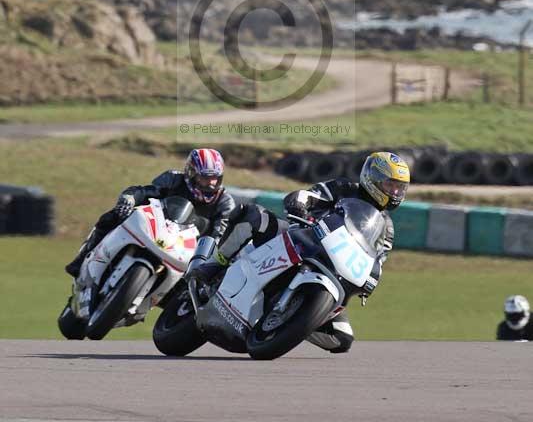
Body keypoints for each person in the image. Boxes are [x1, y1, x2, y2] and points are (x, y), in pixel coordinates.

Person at [186, 150, 410, 354]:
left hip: (333, 269)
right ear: (373, 178)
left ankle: (292, 320)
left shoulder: (386, 227)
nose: (395, 192)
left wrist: (372, 277)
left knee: (342, 338)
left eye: (400, 187)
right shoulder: (342, 189)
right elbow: (307, 195)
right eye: (391, 185)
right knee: (254, 216)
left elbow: (378, 259)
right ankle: (215, 262)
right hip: (300, 237)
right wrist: (300, 206)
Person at [65, 148, 235, 278]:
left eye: (215, 179)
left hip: (188, 250)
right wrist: (129, 199)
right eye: (205, 178)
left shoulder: (224, 202)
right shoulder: (173, 179)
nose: (211, 184)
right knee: (112, 217)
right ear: (191, 173)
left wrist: (208, 255)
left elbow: (220, 232)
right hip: (156, 227)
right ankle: (82, 258)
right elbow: (145, 192)